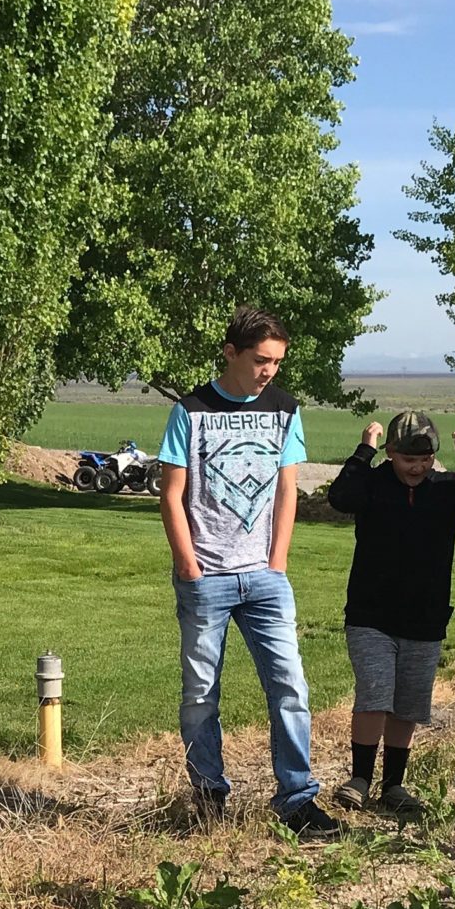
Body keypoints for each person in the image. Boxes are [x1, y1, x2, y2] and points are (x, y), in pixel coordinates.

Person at [156, 306, 343, 840]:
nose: (269, 372)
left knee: (290, 686)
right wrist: (189, 567)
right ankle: (209, 794)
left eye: (278, 362)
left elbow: (288, 488)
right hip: (205, 578)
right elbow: (171, 495)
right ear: (231, 353)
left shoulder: (285, 409)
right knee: (200, 692)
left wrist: (277, 562)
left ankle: (297, 800)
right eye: (261, 360)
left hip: (265, 577)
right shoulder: (190, 412)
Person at [325, 409, 455, 812]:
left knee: (408, 703)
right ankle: (359, 777)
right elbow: (340, 497)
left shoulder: (449, 488)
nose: (416, 468)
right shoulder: (372, 484)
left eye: (425, 460)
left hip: (426, 618)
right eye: (408, 459)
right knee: (374, 695)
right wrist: (362, 452)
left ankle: (394, 786)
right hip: (370, 614)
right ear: (390, 453)